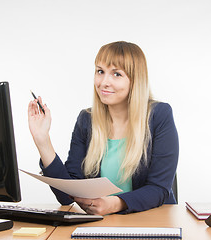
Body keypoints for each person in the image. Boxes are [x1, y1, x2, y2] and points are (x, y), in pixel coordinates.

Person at [28, 41, 179, 215]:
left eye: (116, 74)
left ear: (135, 80)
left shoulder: (159, 115)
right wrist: (42, 140)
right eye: (100, 71)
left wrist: (115, 204)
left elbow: (159, 188)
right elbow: (67, 195)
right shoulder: (87, 120)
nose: (104, 82)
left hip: (151, 221)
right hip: (103, 224)